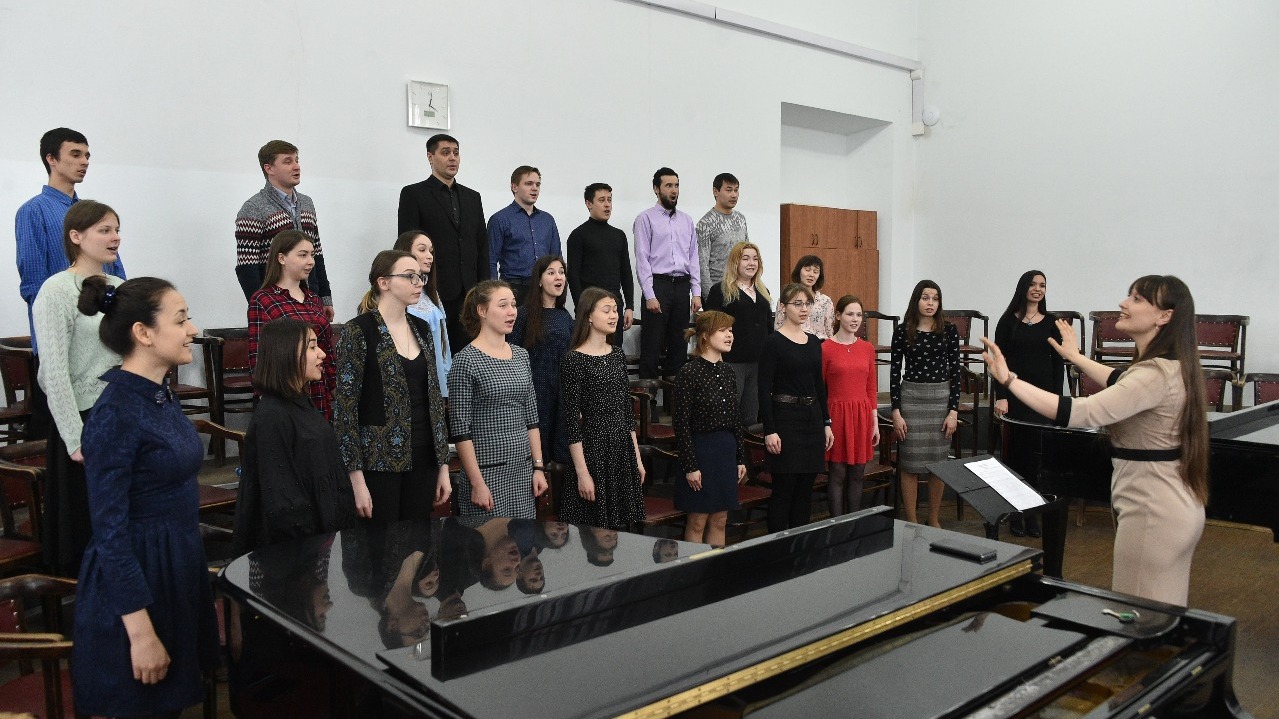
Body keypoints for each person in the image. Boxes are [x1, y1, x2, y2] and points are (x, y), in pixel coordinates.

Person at [981, 275, 1208, 607]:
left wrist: (1009, 380)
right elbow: (1120, 380)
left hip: (1152, 511)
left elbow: (1080, 412)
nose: (1123, 303)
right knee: (1160, 614)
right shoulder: (1167, 366)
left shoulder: (1154, 374)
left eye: (1137, 299)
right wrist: (1075, 357)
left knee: (1137, 618)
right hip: (1169, 506)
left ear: (1165, 316)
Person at [71, 275, 218, 718]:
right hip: (137, 583)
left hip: (173, 565)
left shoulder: (158, 395)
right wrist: (141, 633)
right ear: (144, 333)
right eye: (181, 319)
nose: (192, 328)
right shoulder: (115, 412)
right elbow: (109, 533)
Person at [31, 200, 125, 575]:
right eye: (104, 230)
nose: (115, 237)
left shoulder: (121, 288)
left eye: (117, 230)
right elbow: (52, 372)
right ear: (76, 236)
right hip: (83, 419)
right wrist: (74, 438)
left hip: (121, 413)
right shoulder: (55, 291)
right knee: (88, 525)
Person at [334, 251, 452, 526]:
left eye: (420, 276)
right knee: (380, 545)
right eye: (409, 276)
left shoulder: (421, 328)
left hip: (424, 455)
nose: (418, 282)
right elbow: (345, 409)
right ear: (383, 282)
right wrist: (356, 478)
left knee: (417, 541)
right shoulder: (359, 330)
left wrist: (443, 465)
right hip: (378, 460)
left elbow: (434, 400)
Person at [233, 318, 358, 555]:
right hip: (295, 551)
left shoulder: (300, 402)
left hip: (318, 538)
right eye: (312, 347)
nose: (322, 354)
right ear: (286, 353)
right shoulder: (272, 416)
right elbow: (282, 501)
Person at [17, 128, 126, 353]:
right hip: (63, 335)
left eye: (87, 156)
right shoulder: (33, 211)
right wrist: (51, 336)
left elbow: (115, 272)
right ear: (51, 159)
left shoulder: (93, 213)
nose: (84, 162)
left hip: (105, 332)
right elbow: (34, 284)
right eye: (76, 155)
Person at [448, 280, 548, 519]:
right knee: (489, 542)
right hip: (486, 473)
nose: (512, 311)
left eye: (513, 305)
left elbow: (531, 418)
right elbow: (460, 431)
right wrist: (476, 482)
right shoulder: (465, 360)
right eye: (503, 305)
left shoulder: (521, 355)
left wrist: (538, 467)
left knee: (524, 540)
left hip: (523, 470)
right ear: (482, 310)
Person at [558, 288, 647, 530]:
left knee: (622, 532)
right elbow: (571, 422)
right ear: (588, 315)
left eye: (615, 310)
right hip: (593, 450)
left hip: (621, 449)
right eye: (606, 310)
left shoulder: (617, 354)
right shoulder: (574, 359)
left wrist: (637, 459)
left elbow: (627, 413)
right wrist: (582, 473)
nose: (613, 316)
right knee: (594, 531)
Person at [397, 134, 489, 353]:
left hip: (470, 291)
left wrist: (484, 288)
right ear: (430, 157)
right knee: (437, 353)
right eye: (445, 152)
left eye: (456, 153)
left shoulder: (472, 197)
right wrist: (415, 284)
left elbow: (482, 247)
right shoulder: (414, 194)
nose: (452, 158)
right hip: (432, 289)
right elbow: (406, 246)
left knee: (470, 353)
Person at [992, 270, 1064, 537]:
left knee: (1037, 459)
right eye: (1033, 284)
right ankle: (1015, 514)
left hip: (1043, 399)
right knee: (1015, 457)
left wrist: (1057, 401)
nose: (1038, 289)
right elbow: (998, 362)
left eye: (1042, 285)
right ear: (1023, 287)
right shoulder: (1007, 321)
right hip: (1015, 398)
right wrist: (1001, 395)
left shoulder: (1052, 323)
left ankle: (1033, 514)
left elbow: (1058, 365)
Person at [759, 283, 834, 532]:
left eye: (807, 304)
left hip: (811, 420)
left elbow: (819, 385)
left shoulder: (813, 342)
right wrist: (770, 430)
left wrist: (826, 422)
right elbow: (763, 388)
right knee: (784, 490)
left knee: (805, 490)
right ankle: (776, 547)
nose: (804, 309)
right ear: (783, 307)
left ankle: (799, 546)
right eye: (797, 304)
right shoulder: (773, 342)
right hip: (785, 420)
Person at [890, 280, 961, 528]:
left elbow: (956, 371)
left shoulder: (949, 330)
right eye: (925, 297)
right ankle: (911, 519)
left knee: (938, 464)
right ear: (916, 300)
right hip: (911, 399)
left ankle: (933, 518)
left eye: (935, 298)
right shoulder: (903, 330)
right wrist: (896, 411)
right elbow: (895, 372)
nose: (930, 303)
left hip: (940, 400)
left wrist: (953, 411)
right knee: (910, 463)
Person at [673, 310, 747, 546]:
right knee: (697, 520)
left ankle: (717, 565)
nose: (730, 335)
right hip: (701, 451)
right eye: (723, 330)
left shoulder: (728, 371)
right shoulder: (689, 372)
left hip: (725, 450)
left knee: (720, 519)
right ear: (705, 335)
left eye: (731, 330)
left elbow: (735, 418)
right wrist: (690, 466)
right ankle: (694, 566)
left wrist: (740, 458)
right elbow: (681, 423)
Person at [235, 140, 333, 316]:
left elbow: (317, 254)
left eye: (296, 160)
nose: (296, 166)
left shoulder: (307, 203)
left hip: (310, 301)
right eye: (288, 161)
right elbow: (247, 268)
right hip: (276, 305)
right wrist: (262, 306)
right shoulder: (253, 208)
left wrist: (325, 297)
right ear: (269, 168)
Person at [247, 230, 338, 419]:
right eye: (303, 255)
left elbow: (326, 350)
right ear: (282, 258)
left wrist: (336, 387)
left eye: (312, 255)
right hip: (285, 392)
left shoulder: (314, 299)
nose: (310, 262)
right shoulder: (263, 299)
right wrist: (265, 397)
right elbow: (258, 355)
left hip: (318, 388)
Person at [634, 167, 701, 379]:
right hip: (658, 285)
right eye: (668, 186)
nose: (674, 190)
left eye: (676, 185)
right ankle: (648, 398)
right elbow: (642, 259)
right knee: (652, 344)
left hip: (682, 285)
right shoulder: (645, 218)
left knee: (679, 344)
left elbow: (693, 258)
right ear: (656, 189)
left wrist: (696, 292)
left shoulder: (687, 220)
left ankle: (676, 396)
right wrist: (649, 294)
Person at [510, 255, 573, 467]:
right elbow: (513, 355)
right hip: (534, 393)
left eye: (562, 273)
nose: (559, 277)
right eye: (551, 272)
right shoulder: (523, 314)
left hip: (561, 393)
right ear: (539, 280)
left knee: (561, 453)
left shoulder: (565, 316)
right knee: (536, 455)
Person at [823, 295, 880, 517]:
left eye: (859, 315)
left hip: (861, 416)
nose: (855, 319)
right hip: (836, 415)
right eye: (850, 314)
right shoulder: (825, 348)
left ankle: (854, 524)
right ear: (838, 316)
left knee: (857, 474)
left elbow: (871, 388)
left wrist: (874, 422)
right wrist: (825, 423)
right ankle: (837, 525)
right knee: (837, 474)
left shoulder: (867, 348)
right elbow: (820, 389)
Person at [704, 241, 772, 425]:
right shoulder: (720, 290)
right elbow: (709, 327)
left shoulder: (763, 292)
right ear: (735, 262)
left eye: (755, 259)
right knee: (728, 415)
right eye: (746, 258)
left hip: (758, 363)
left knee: (751, 417)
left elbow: (768, 327)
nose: (751, 263)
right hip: (731, 362)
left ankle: (746, 446)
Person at [565, 182, 634, 346]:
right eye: (601, 200)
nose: (607, 205)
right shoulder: (578, 235)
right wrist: (582, 308)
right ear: (589, 204)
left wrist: (629, 306)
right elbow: (573, 276)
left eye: (609, 200)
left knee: (614, 351)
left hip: (614, 304)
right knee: (591, 351)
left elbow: (626, 272)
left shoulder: (619, 235)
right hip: (591, 305)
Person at [487, 166, 562, 304]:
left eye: (537, 184)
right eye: (528, 184)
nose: (535, 188)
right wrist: (494, 292)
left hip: (544, 286)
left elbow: (556, 257)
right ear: (514, 187)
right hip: (515, 287)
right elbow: (490, 259)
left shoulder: (547, 220)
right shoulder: (500, 219)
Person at [393, 230, 452, 397]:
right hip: (408, 379)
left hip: (435, 379)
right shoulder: (395, 294)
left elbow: (443, 342)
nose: (429, 256)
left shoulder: (431, 294)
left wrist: (447, 380)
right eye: (422, 250)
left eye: (431, 251)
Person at [696, 173, 749, 299]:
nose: (734, 195)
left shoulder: (741, 219)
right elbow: (702, 265)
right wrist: (709, 296)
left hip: (741, 288)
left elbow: (747, 254)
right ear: (715, 191)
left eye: (736, 190)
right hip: (718, 289)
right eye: (729, 190)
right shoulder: (705, 223)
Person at [774, 255, 834, 339]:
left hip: (820, 343)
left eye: (815, 272)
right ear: (799, 271)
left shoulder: (825, 301)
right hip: (793, 342)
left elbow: (829, 331)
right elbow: (778, 326)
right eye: (807, 270)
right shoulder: (786, 298)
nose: (811, 275)